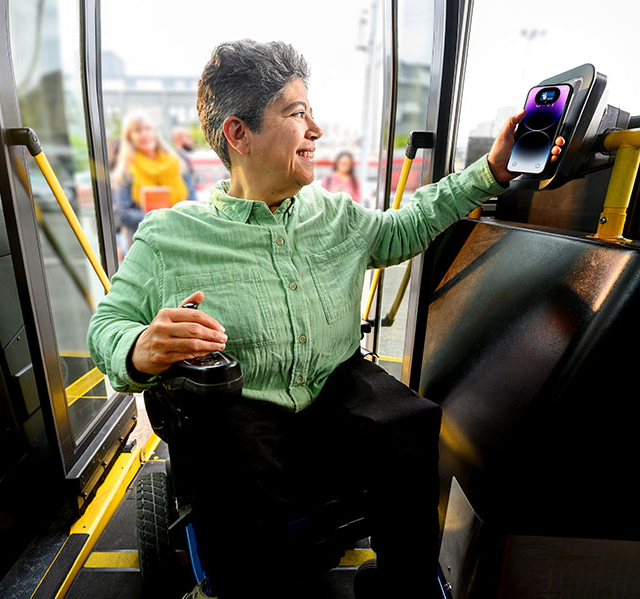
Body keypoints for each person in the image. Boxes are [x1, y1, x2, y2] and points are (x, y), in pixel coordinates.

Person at [88, 40, 563, 599]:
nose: (316, 129)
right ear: (238, 135)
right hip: (245, 405)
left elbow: (401, 228)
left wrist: (489, 172)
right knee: (234, 471)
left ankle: (403, 585)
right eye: (296, 114)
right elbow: (107, 328)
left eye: (310, 112)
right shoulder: (170, 235)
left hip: (331, 385)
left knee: (407, 423)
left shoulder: (335, 213)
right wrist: (140, 347)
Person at [111, 110, 188, 246]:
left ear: (155, 133)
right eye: (138, 130)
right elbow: (122, 214)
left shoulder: (176, 162)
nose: (145, 134)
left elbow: (192, 201)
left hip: (181, 238)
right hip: (145, 243)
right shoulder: (126, 171)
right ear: (129, 138)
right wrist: (161, 217)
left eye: (148, 129)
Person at [171, 126, 199, 202]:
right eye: (188, 137)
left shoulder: (184, 157)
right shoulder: (176, 160)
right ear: (178, 139)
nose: (192, 140)